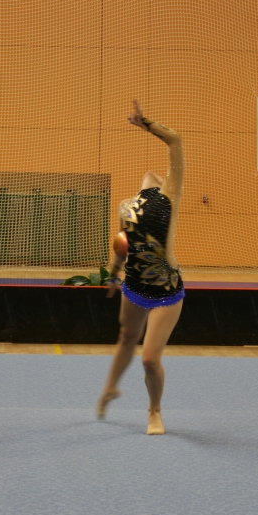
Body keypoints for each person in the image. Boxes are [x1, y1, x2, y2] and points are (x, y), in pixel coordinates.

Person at [96, 100, 185, 435]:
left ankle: (154, 411)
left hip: (166, 289)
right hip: (133, 286)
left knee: (149, 358)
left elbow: (175, 140)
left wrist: (143, 122)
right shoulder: (126, 207)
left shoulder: (170, 195)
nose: (153, 174)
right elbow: (122, 246)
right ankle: (110, 388)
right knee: (125, 338)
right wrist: (112, 275)